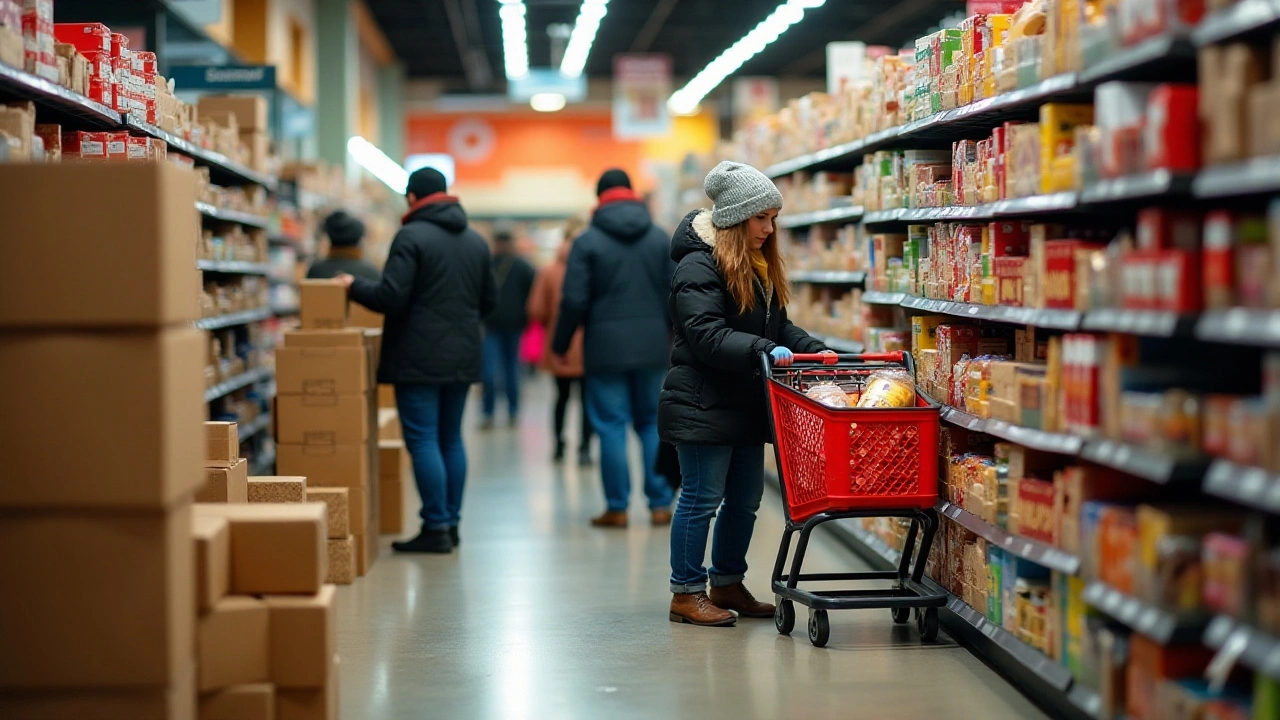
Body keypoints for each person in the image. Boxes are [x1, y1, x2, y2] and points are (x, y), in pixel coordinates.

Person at [660, 161, 830, 626]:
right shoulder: (698, 265)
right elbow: (705, 334)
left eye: (773, 218)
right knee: (701, 498)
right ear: (737, 217)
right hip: (702, 401)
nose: (769, 228)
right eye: (762, 218)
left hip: (742, 402)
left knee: (746, 498)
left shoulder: (756, 264)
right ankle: (686, 591)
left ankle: (728, 581)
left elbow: (777, 325)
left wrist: (814, 349)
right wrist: (764, 349)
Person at [335, 167, 496, 554]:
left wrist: (353, 286)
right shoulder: (475, 242)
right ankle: (451, 523)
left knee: (423, 440)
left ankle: (435, 526)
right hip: (461, 353)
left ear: (411, 198)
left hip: (418, 356)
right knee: (450, 439)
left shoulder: (410, 236)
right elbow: (490, 302)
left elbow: (391, 297)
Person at [553, 169, 674, 528]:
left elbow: (573, 300)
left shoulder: (587, 242)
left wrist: (560, 344)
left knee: (609, 426)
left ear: (599, 198)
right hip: (653, 346)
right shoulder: (658, 238)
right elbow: (676, 293)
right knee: (653, 424)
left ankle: (617, 508)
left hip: (604, 349)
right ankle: (660, 504)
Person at [527, 217, 593, 466]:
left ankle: (558, 445)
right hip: (589, 345)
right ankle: (585, 447)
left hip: (559, 344)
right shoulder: (592, 266)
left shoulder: (548, 271)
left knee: (561, 397)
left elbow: (536, 309)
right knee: (588, 399)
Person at [481, 229, 536, 428]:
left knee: (498, 371)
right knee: (505, 370)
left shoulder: (491, 265)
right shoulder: (522, 266)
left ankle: (496, 412)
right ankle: (504, 412)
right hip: (507, 326)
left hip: (499, 325)